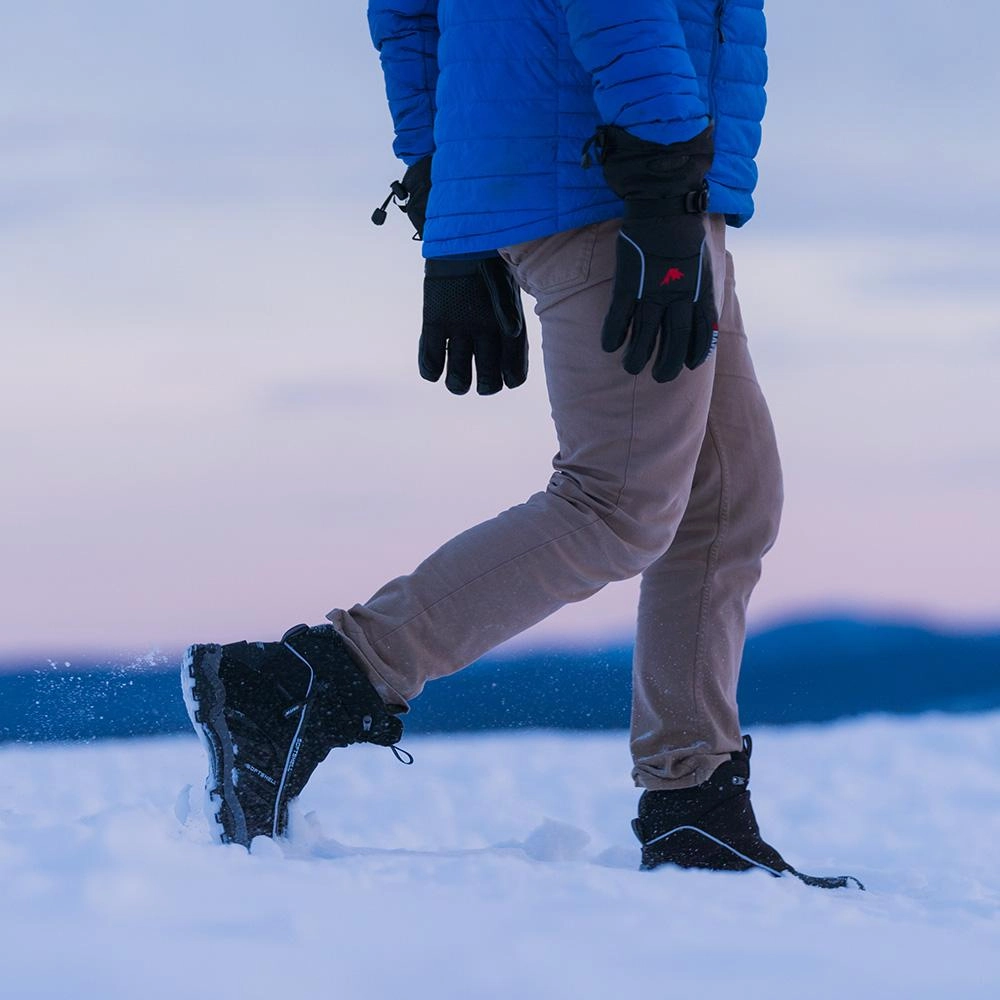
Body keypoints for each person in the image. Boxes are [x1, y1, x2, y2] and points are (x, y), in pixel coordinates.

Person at [182, 1, 862, 890]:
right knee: (616, 503)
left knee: (726, 497)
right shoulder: (641, 175)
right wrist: (660, 185)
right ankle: (302, 682)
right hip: (617, 178)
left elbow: (410, 16)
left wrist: (448, 202)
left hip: (585, 172)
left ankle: (695, 807)